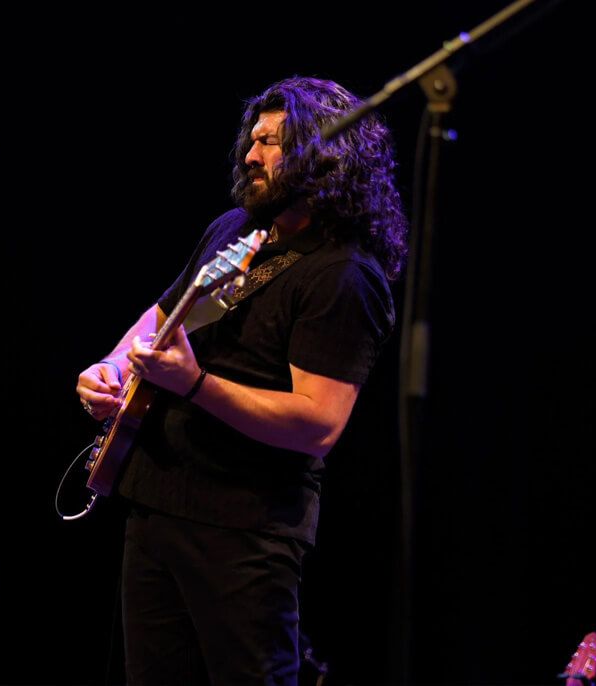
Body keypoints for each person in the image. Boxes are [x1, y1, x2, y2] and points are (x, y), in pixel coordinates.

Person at [75, 76, 407, 685]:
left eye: (271, 143)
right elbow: (160, 316)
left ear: (325, 155)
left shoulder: (344, 275)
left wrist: (194, 384)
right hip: (155, 505)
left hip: (245, 529)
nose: (251, 155)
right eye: (251, 140)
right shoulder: (234, 228)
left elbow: (318, 424)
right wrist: (111, 367)